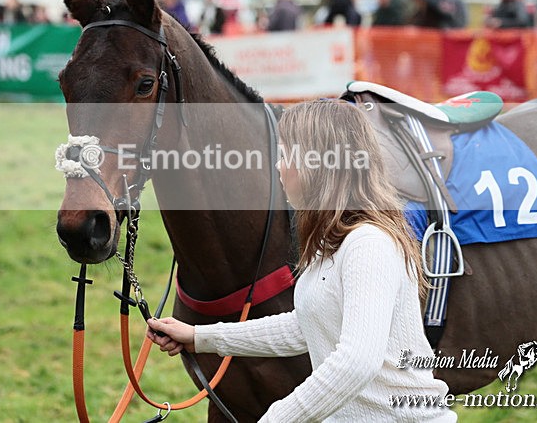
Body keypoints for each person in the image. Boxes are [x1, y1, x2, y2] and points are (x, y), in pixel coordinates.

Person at [147, 100, 456, 422]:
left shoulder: (368, 245)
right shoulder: (331, 243)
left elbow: (356, 362)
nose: (278, 167)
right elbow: (304, 324)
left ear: (317, 166)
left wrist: (275, 418)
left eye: (285, 155)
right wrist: (200, 337)